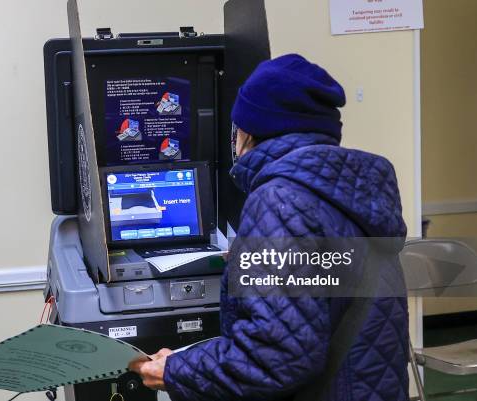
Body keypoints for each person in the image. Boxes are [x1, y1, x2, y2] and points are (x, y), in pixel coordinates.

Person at [129, 54, 409, 401]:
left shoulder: (279, 200)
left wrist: (176, 369)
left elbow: (276, 355)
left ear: (246, 132)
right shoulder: (354, 192)